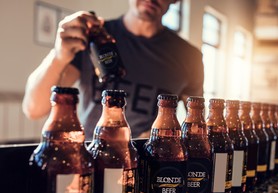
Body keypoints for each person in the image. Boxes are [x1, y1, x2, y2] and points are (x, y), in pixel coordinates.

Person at [23, 0, 204, 139]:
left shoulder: (189, 57)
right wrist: (58, 56)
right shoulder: (93, 38)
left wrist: (164, 137)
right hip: (86, 158)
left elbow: (195, 123)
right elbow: (34, 109)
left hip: (141, 163)